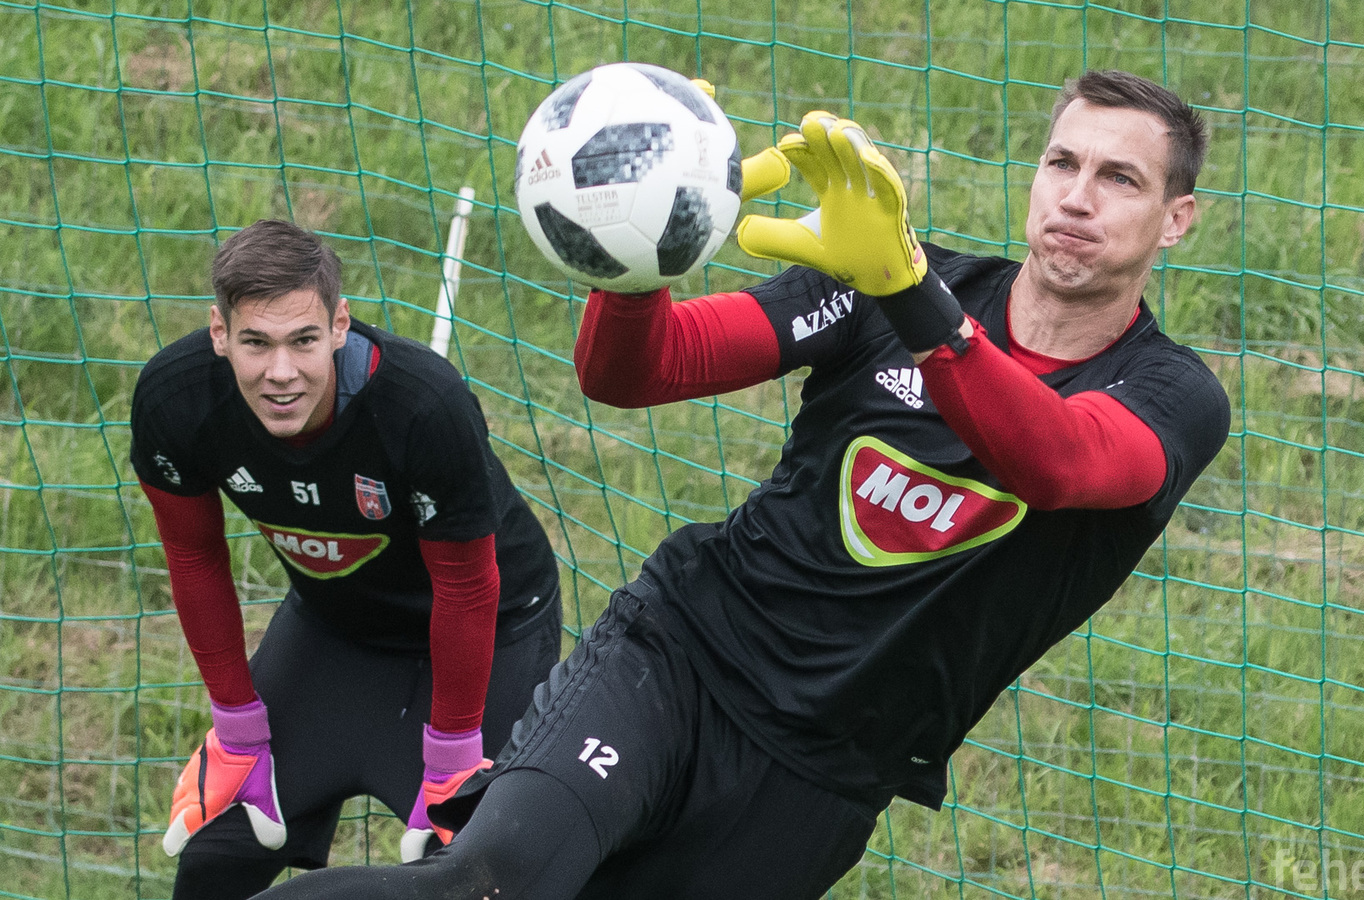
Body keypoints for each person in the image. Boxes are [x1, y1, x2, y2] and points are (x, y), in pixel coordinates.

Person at [252, 68, 1231, 899]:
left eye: (1120, 179)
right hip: (679, 658)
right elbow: (639, 372)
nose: (1077, 197)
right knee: (489, 880)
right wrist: (640, 246)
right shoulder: (878, 283)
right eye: (1062, 163)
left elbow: (1055, 462)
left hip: (825, 772)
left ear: (1175, 219)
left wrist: (911, 296)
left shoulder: (1170, 395)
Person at [129, 219, 564, 899]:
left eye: (303, 340)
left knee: (476, 879)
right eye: (255, 342)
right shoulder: (175, 399)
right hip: (335, 625)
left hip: (491, 631)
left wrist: (453, 754)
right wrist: (237, 728)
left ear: (339, 326)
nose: (281, 373)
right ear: (219, 333)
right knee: (216, 853)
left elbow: (467, 586)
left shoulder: (422, 405)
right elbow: (192, 555)